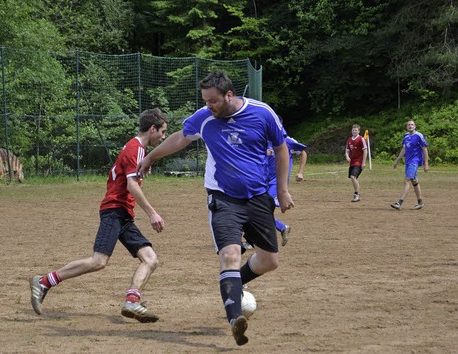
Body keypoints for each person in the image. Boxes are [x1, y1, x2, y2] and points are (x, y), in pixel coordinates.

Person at [137, 71, 293, 346]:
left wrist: (282, 190)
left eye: (213, 101)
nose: (208, 106)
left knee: (269, 261)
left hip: (257, 198)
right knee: (231, 254)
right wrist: (150, 157)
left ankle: (234, 283)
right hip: (224, 198)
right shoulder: (204, 118)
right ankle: (235, 318)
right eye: (205, 101)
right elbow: (180, 138)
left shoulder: (262, 113)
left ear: (229, 95)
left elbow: (281, 149)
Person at [29, 108, 168, 323]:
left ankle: (132, 300)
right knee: (98, 261)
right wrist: (152, 213)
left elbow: (124, 175)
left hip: (123, 213)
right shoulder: (136, 148)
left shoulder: (135, 148)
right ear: (152, 129)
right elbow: (131, 186)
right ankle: (45, 281)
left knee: (150, 259)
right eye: (163, 132)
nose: (163, 137)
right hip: (114, 210)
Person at [266, 133, 307, 246]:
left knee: (263, 208)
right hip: (262, 180)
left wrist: (300, 172)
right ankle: (282, 228)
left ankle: (254, 239)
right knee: (257, 208)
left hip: (277, 182)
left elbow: (303, 152)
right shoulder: (261, 138)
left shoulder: (287, 140)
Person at [391, 119, 429, 210]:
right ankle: (420, 202)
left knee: (406, 180)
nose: (410, 126)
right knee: (414, 181)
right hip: (408, 161)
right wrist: (397, 160)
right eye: (408, 125)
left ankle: (399, 202)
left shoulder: (419, 136)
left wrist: (426, 163)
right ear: (407, 126)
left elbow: (425, 149)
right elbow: (404, 149)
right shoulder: (406, 136)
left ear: (415, 126)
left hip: (415, 161)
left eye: (412, 124)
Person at [345, 124, 368, 202]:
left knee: (353, 177)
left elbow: (365, 150)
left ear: (358, 131)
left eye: (356, 130)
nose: (354, 131)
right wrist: (347, 157)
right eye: (353, 130)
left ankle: (356, 194)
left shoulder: (361, 139)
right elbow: (347, 150)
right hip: (352, 162)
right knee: (353, 178)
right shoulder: (349, 140)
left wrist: (363, 162)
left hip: (359, 161)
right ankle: (356, 193)